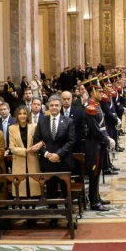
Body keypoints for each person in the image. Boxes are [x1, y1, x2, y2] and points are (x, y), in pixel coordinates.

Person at [30, 95, 75, 227]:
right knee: (51, 191)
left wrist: (59, 154)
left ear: (60, 107)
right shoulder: (42, 121)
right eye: (52, 105)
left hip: (63, 161)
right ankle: (53, 216)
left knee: (65, 190)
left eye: (57, 105)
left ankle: (68, 216)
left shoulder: (68, 121)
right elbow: (36, 140)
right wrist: (47, 154)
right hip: (48, 162)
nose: (54, 108)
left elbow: (71, 141)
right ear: (48, 107)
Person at [83, 80, 115, 211]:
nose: (102, 93)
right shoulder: (90, 108)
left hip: (100, 143)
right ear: (92, 92)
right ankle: (94, 202)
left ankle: (96, 197)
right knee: (94, 173)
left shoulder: (97, 105)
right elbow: (95, 130)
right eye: (99, 91)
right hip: (94, 144)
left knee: (98, 171)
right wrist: (107, 140)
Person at [8, 106, 41, 202]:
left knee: (33, 186)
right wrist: (25, 151)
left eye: (24, 113)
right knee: (21, 188)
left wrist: (36, 147)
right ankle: (23, 208)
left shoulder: (34, 126)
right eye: (20, 113)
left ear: (28, 115)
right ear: (16, 115)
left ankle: (33, 209)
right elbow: (12, 147)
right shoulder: (12, 128)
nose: (22, 116)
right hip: (19, 160)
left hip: (32, 159)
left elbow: (38, 141)